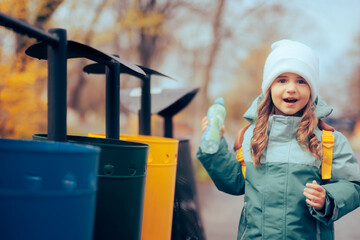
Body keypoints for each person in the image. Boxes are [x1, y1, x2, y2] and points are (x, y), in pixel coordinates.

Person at [197, 39, 360, 240]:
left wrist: (329, 198)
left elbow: (353, 185)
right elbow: (236, 183)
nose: (291, 88)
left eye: (301, 81)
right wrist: (213, 150)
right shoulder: (251, 136)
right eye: (282, 80)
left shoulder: (329, 141)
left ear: (311, 89)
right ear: (269, 88)